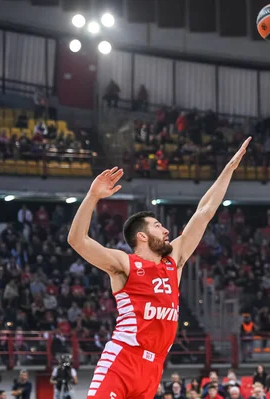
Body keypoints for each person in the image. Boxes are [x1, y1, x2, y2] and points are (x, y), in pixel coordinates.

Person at [68, 138, 251, 399]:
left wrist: (229, 169)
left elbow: (205, 211)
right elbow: (77, 240)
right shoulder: (124, 264)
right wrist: (92, 196)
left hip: (154, 368)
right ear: (141, 236)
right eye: (157, 226)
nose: (166, 230)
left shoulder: (173, 262)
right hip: (122, 360)